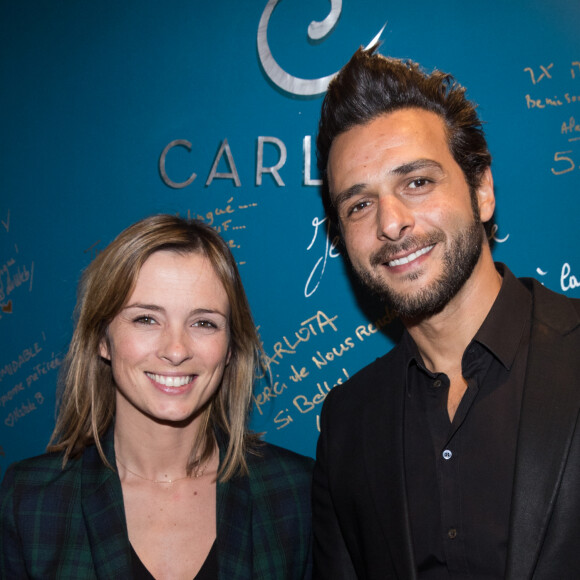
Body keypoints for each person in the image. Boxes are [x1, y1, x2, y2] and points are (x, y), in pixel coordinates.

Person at [312, 46, 580, 579]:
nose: (390, 223)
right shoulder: (347, 423)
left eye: (417, 182)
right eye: (359, 204)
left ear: (482, 192)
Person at [0, 214, 313, 579]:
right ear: (103, 339)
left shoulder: (296, 492)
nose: (176, 349)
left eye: (203, 323)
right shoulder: (30, 501)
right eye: (146, 319)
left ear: (230, 348)